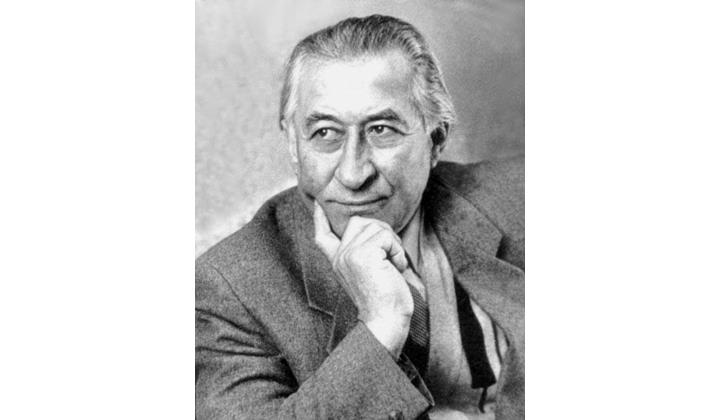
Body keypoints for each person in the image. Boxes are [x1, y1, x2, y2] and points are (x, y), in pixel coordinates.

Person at [196, 14, 524, 420]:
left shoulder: (519, 198)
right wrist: (381, 327)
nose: (353, 173)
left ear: (436, 139)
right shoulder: (228, 289)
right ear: (294, 144)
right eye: (325, 133)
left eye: (382, 129)